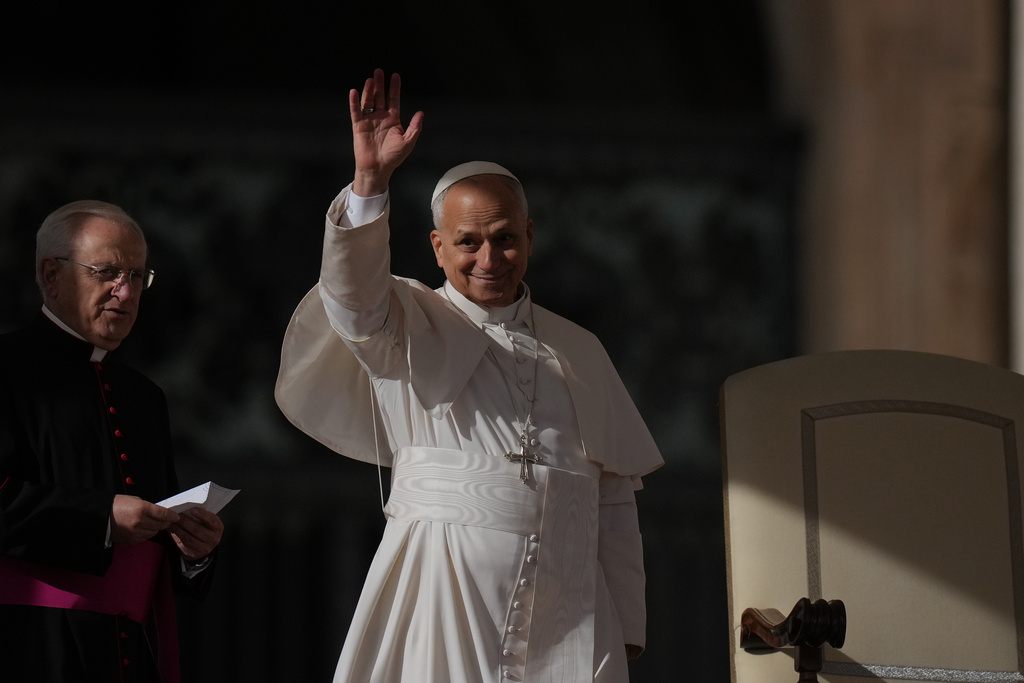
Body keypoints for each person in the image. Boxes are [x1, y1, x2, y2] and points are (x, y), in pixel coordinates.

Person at [275, 69, 663, 682]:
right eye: (469, 242)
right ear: (436, 246)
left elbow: (611, 497)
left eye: (506, 239)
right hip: (444, 591)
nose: (489, 259)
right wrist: (370, 184)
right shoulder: (402, 323)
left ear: (530, 237)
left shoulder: (578, 348)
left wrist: (627, 625)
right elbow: (350, 299)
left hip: (570, 606)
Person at [0, 200, 225, 682]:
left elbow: (150, 542)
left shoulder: (144, 397)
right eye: (106, 273)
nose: (125, 293)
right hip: (29, 647)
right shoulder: (6, 371)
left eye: (137, 277)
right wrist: (101, 517)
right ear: (52, 275)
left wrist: (192, 551)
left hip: (124, 654)